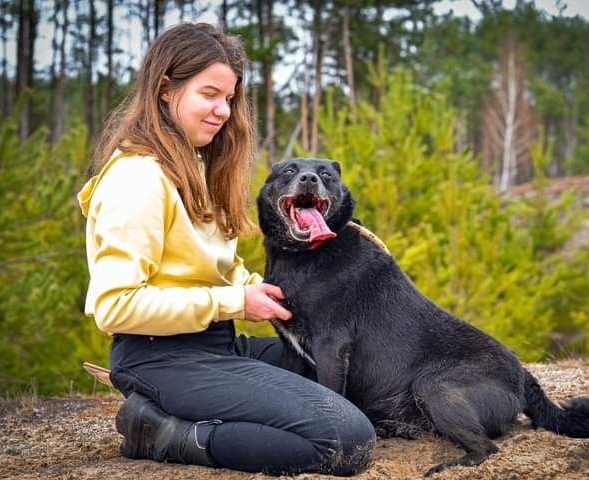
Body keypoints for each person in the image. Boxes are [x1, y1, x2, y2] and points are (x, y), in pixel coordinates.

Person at [77, 22, 375, 475]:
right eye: (209, 94)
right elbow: (113, 306)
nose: (223, 111)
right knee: (343, 437)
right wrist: (234, 301)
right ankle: (164, 431)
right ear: (164, 89)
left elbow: (216, 270)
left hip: (216, 347)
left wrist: (262, 291)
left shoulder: (193, 167)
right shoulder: (136, 178)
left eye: (230, 98)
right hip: (161, 358)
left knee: (348, 363)